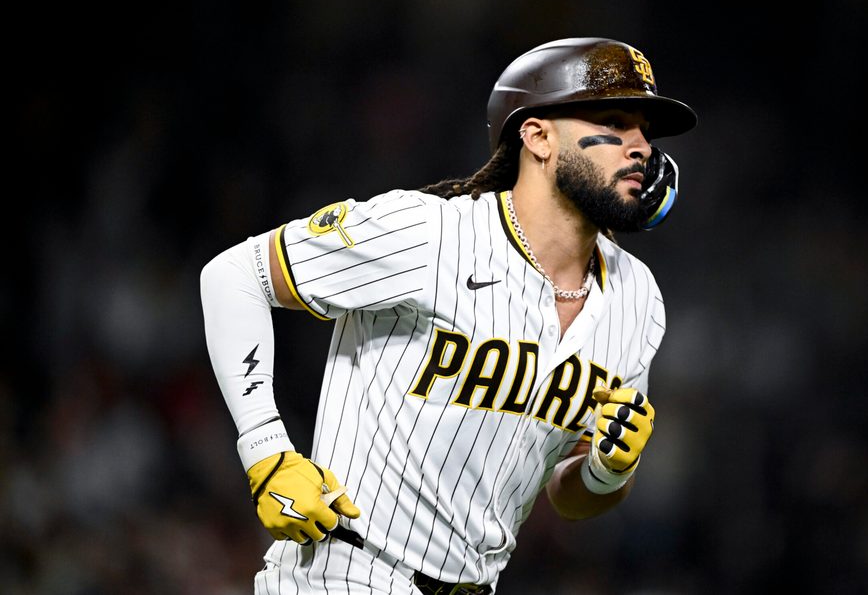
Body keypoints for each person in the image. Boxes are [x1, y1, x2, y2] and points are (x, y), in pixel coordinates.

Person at [200, 37, 698, 594]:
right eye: (615, 121)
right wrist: (266, 452)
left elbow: (570, 492)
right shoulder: (432, 233)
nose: (641, 148)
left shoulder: (637, 299)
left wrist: (609, 473)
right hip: (345, 574)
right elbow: (234, 275)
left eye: (646, 133)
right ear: (537, 136)